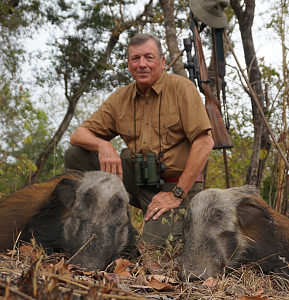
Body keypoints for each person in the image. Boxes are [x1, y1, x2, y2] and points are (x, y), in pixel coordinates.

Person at [64, 33, 214, 246]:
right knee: (77, 155)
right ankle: (107, 220)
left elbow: (205, 142)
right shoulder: (120, 98)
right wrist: (103, 145)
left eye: (149, 57)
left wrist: (177, 194)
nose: (142, 64)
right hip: (139, 180)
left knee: (151, 250)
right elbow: (77, 135)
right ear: (129, 65)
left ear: (162, 62)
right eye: (135, 59)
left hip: (176, 186)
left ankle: (145, 234)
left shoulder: (182, 88)